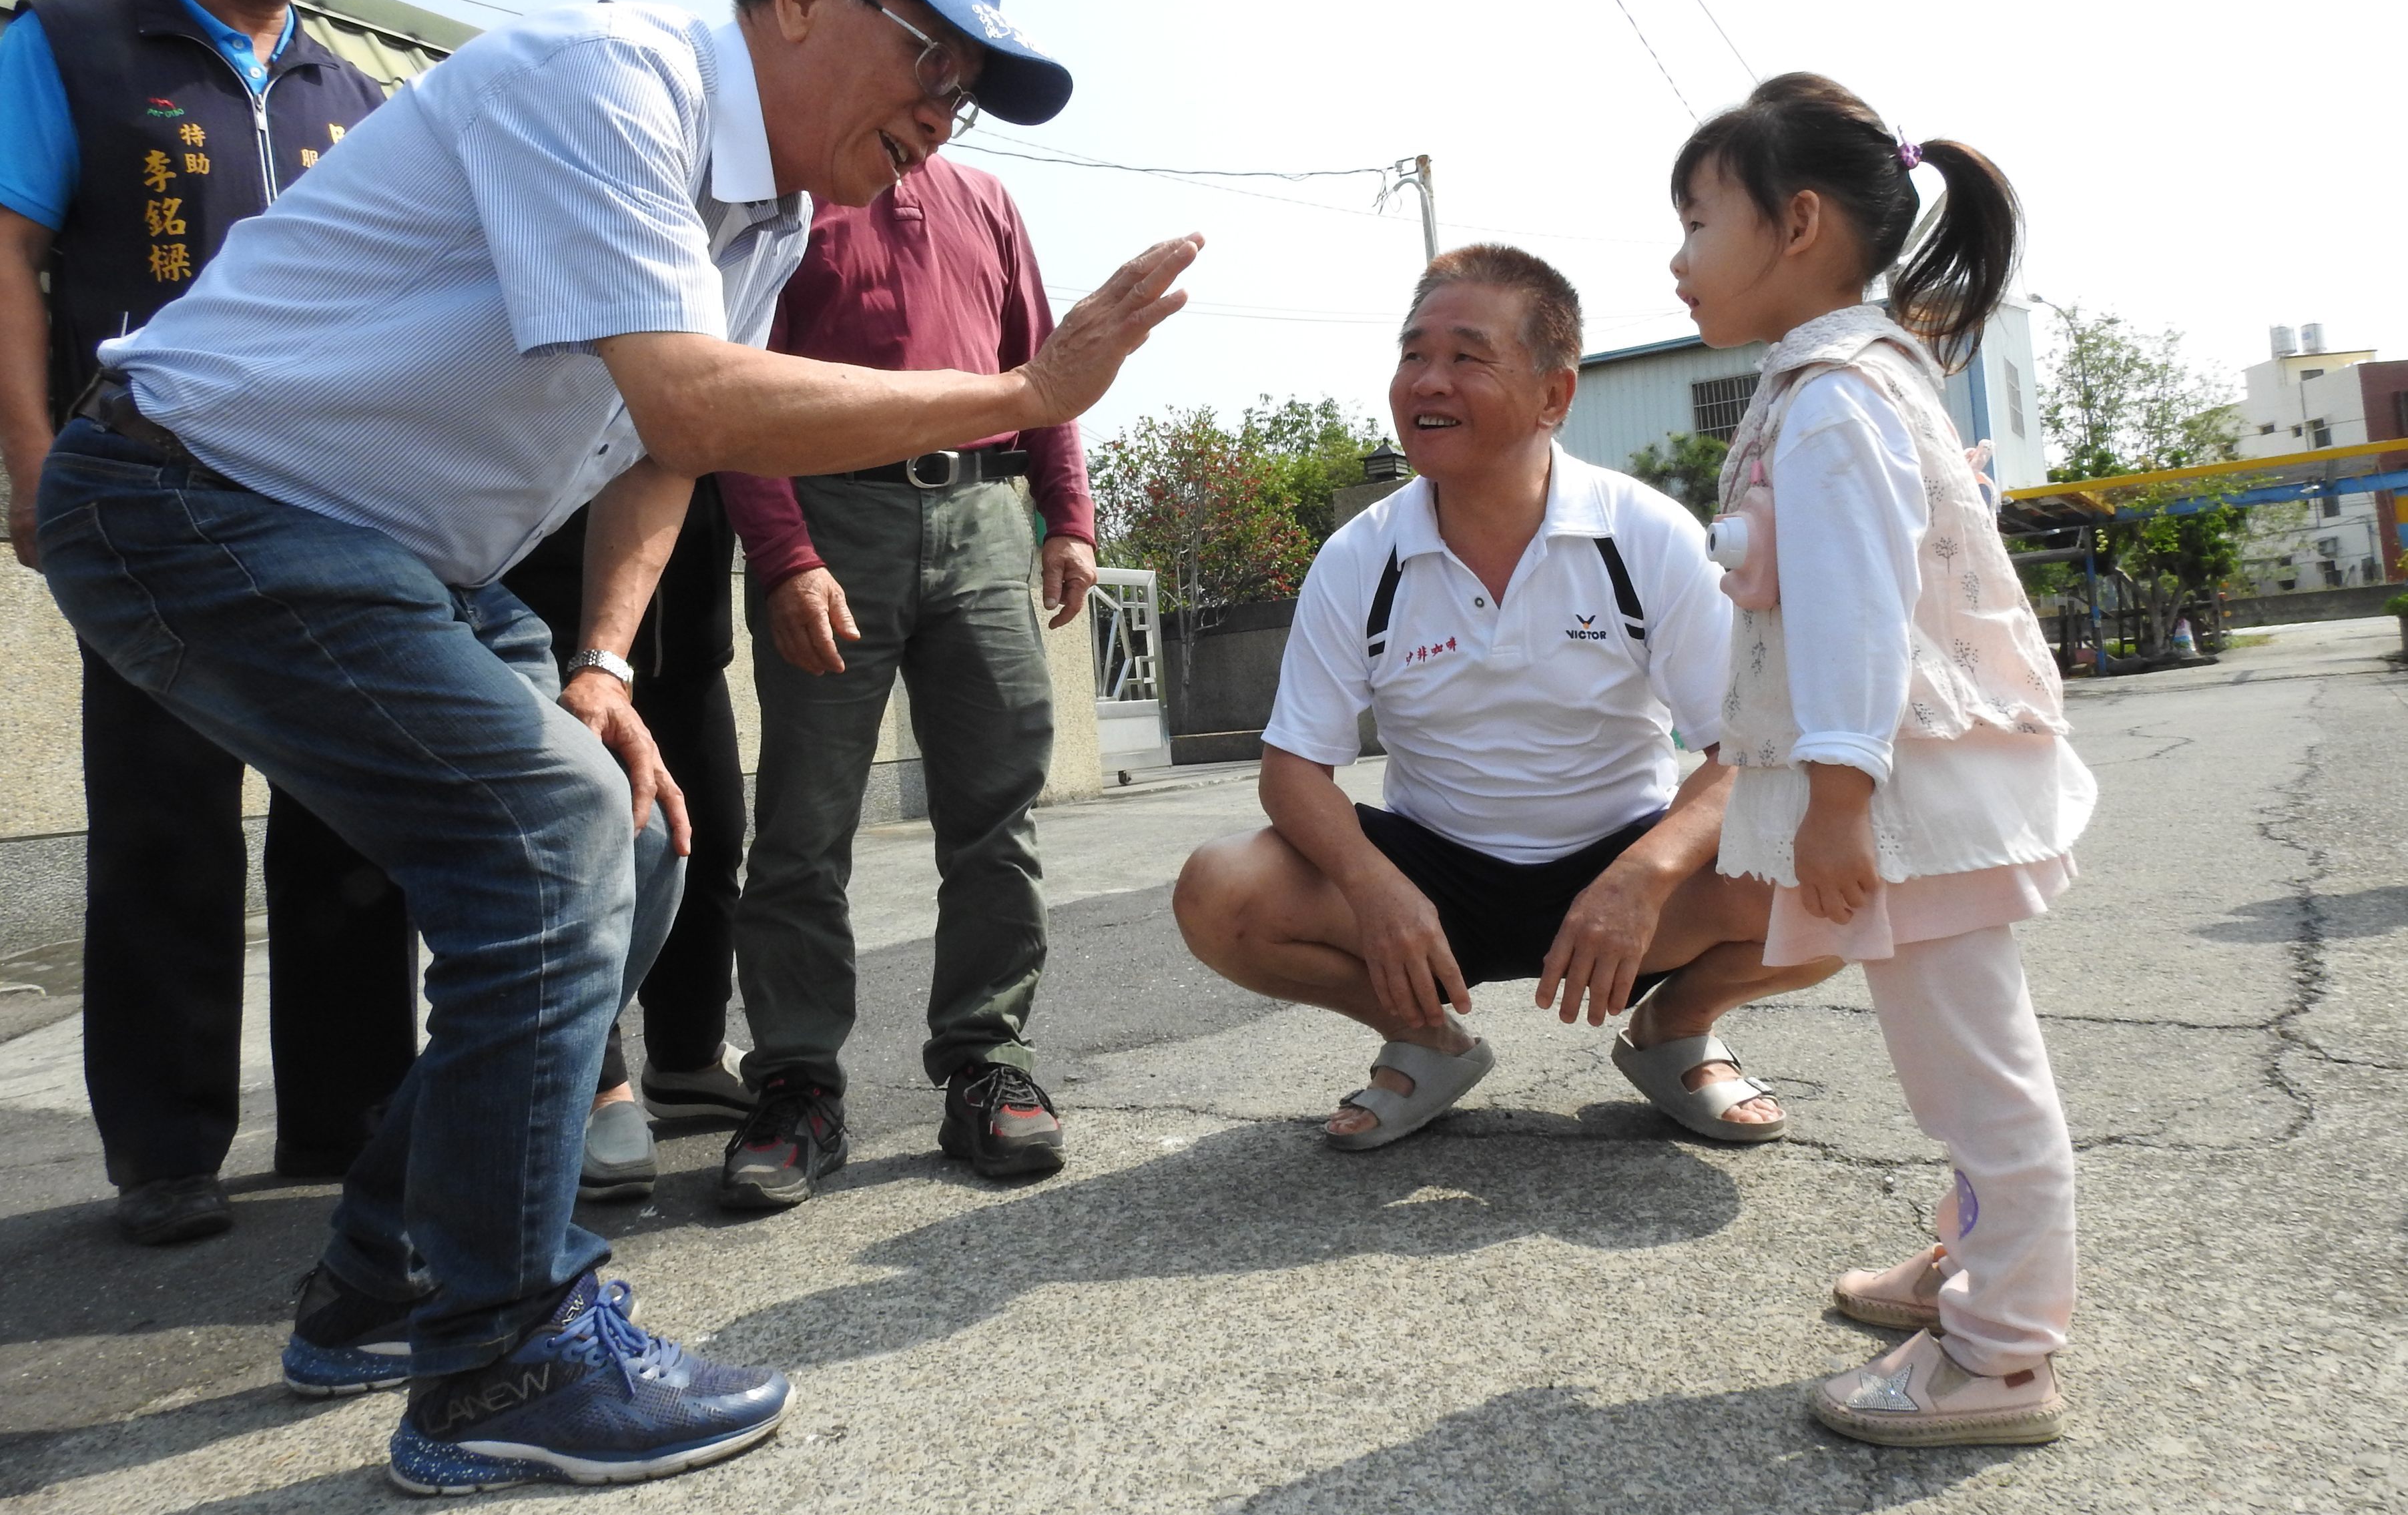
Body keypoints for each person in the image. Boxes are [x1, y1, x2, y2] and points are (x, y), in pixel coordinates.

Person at [35, 0, 1200, 1492]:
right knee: (544, 844)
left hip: (397, 557)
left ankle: (389, 1277)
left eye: (971, 95)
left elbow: (655, 443)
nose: (946, 115)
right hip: (195, 496)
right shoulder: (610, 82)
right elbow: (700, 399)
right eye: (932, 62)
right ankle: (503, 1357)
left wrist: (596, 659)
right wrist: (1013, 387)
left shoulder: (769, 209)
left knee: (639, 842)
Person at [0, 0, 414, 1245]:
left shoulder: (350, 95)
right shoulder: (66, 47)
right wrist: (33, 458)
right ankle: (166, 1147)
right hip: (149, 494)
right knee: (164, 815)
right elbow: (13, 254)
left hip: (325, 501)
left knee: (346, 811)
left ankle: (349, 1114)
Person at [1175, 244, 1836, 1152]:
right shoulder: (1361, 557)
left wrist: (1644, 876)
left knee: (1849, 871)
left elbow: (1745, 747)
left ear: (1554, 396)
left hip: (1623, 865)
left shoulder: (1641, 534)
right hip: (1432, 876)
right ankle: (1424, 1038)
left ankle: (1677, 1026)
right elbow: (1294, 770)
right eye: (1414, 354)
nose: (1426, 381)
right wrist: (1377, 890)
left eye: (1466, 356)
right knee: (1221, 889)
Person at [1669, 73, 2094, 1446]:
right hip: (1914, 787)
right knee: (1950, 1060)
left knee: (1975, 1069)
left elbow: (1852, 609)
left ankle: (2001, 1353)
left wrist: (1836, 799)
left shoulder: (1835, 398)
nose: (1675, 259)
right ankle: (1974, 1260)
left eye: (1695, 219)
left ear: (1795, 224)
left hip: (1908, 790)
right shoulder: (1851, 377)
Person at [715, 154, 1095, 1212]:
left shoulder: (987, 200)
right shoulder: (784, 199)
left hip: (983, 515)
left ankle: (987, 1059)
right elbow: (736, 386)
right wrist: (785, 555)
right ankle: (796, 1083)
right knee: (803, 820)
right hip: (836, 518)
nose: (932, 98)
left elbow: (1043, 367)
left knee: (996, 811)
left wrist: (1066, 517)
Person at [503, 475, 754, 1205]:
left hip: (686, 631)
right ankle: (596, 1085)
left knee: (703, 840)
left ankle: (689, 1055)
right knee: (589, 862)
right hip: (554, 629)